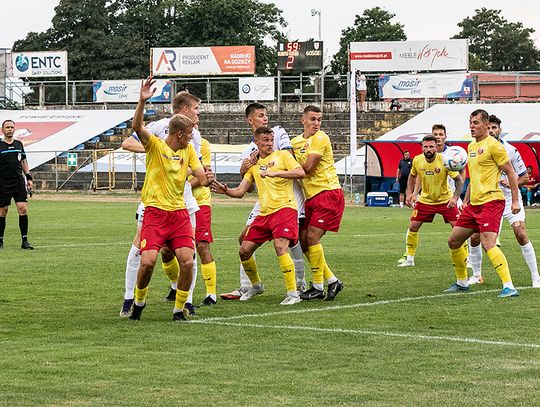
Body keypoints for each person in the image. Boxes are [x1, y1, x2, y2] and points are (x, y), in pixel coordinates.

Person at [128, 77, 212, 321]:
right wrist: (142, 101)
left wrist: (206, 175)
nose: (192, 137)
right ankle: (139, 300)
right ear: (178, 133)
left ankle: (179, 308)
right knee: (147, 262)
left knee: (187, 261)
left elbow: (202, 179)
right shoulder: (155, 146)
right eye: (189, 134)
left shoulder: (188, 150)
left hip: (179, 213)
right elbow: (136, 127)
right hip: (155, 212)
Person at [219, 103, 306, 300]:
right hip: (264, 206)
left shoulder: (279, 140)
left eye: (270, 140)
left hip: (286, 202)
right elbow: (244, 190)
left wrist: (272, 169)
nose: (265, 118)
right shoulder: (250, 157)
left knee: (285, 244)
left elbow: (297, 167)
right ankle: (252, 285)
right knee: (244, 246)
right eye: (261, 115)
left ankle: (296, 288)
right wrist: (226, 189)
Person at [447, 109, 520, 298]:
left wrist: (515, 200)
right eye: (470, 122)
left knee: (488, 243)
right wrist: (466, 200)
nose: (472, 126)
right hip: (474, 205)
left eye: (476, 123)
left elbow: (511, 173)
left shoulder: (494, 146)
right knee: (454, 241)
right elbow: (474, 177)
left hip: (492, 202)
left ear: (486, 125)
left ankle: (509, 286)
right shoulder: (470, 147)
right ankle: (462, 283)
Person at [467, 115, 539, 287]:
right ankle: (477, 275)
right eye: (489, 128)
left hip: (508, 199)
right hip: (488, 200)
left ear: (500, 129)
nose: (491, 131)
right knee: (475, 237)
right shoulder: (477, 147)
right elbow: (474, 176)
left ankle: (535, 276)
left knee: (521, 234)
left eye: (494, 128)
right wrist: (466, 199)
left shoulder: (511, 150)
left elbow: (524, 177)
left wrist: (511, 187)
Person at [291, 105, 345, 301]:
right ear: (302, 120)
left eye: (319, 119)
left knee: (312, 237)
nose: (316, 123)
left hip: (328, 193)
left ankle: (317, 286)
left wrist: (285, 169)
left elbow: (308, 168)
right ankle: (332, 281)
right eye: (312, 119)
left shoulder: (321, 137)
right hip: (311, 197)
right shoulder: (295, 142)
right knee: (303, 240)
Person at [397, 135, 463, 267]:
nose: (428, 149)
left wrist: (455, 197)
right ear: (422, 147)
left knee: (459, 229)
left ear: (436, 147)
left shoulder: (444, 160)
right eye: (425, 146)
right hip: (426, 200)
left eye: (431, 146)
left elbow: (459, 180)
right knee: (413, 227)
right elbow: (412, 176)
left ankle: (465, 260)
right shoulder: (417, 160)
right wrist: (410, 193)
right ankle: (410, 259)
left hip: (445, 200)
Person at [189, 137, 219, 306]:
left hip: (200, 202)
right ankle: (174, 287)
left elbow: (203, 176)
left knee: (202, 245)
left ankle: (211, 293)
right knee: (166, 250)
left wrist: (180, 185)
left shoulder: (203, 144)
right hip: (175, 203)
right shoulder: (168, 145)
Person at [0, 119, 34, 250]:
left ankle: (24, 241)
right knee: (3, 211)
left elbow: (23, 161)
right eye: (7, 127)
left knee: (23, 208)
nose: (9, 129)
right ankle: (0, 240)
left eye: (11, 127)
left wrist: (29, 177)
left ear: (14, 129)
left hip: (18, 182)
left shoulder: (19, 144)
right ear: (2, 130)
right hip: (2, 182)